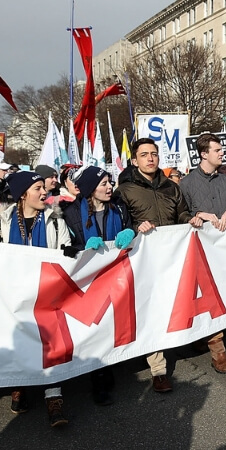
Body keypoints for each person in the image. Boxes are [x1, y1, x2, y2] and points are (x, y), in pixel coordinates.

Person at [0, 171, 75, 427]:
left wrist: (70, 252)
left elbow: (66, 252)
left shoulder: (55, 219)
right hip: (13, 294)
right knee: (19, 341)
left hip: (46, 293)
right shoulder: (1, 221)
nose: (44, 192)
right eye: (38, 188)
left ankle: (54, 397)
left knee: (51, 345)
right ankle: (20, 386)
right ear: (22, 193)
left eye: (43, 187)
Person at [114, 138, 192, 393]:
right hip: (141, 260)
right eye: (145, 154)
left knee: (172, 305)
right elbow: (119, 225)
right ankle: (158, 370)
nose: (150, 158)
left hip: (171, 257)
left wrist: (191, 219)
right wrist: (136, 227)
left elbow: (181, 213)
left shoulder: (172, 187)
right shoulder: (124, 191)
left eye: (154, 154)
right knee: (150, 311)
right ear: (135, 161)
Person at [59, 164, 133, 405]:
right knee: (92, 325)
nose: (110, 187)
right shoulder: (70, 213)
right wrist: (82, 247)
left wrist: (130, 232)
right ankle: (98, 376)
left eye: (110, 182)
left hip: (114, 274)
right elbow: (63, 247)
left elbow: (130, 226)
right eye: (104, 184)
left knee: (111, 323)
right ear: (91, 190)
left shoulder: (119, 208)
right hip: (86, 279)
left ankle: (108, 366)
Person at [178, 133, 226, 374]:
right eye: (217, 150)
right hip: (199, 252)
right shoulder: (185, 183)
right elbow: (180, 216)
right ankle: (218, 352)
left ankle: (204, 336)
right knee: (207, 298)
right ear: (204, 154)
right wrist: (197, 216)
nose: (222, 153)